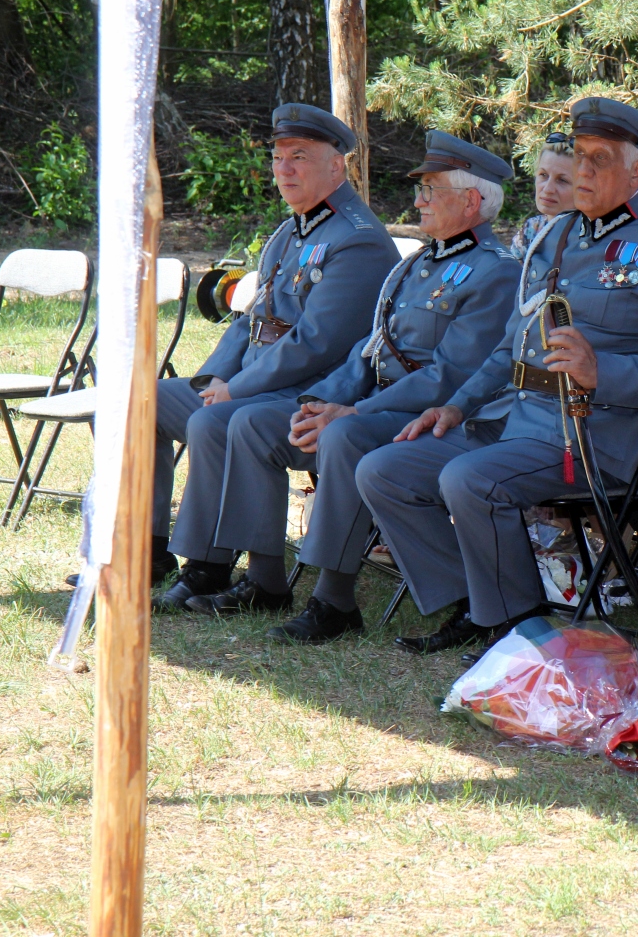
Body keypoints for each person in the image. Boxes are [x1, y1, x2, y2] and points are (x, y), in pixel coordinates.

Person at [353, 98, 638, 655]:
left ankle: (521, 631)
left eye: (599, 159)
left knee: (469, 480)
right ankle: (474, 603)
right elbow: (509, 347)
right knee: (384, 470)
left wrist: (601, 371)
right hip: (514, 420)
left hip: (593, 435)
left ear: (637, 173)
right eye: (580, 156)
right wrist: (457, 406)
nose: (583, 171)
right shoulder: (556, 236)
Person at [171, 133, 522, 640]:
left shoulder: (496, 272)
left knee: (343, 436)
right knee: (253, 423)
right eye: (420, 189)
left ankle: (334, 600)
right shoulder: (418, 264)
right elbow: (369, 351)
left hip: (426, 415)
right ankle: (265, 581)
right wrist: (320, 401)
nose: (418, 201)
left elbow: (447, 377)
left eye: (431, 190)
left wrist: (355, 413)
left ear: (471, 201)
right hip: (371, 404)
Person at [152, 103, 399, 612]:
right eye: (278, 157)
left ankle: (218, 569)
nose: (284, 169)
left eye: (299, 157)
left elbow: (315, 343)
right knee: (141, 402)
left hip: (310, 393)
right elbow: (249, 320)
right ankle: (149, 549)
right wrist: (214, 378)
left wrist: (235, 390)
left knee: (216, 420)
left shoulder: (358, 240)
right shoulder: (292, 231)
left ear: (337, 166)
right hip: (256, 382)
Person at [509, 133, 576, 260]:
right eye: (543, 175)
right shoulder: (531, 230)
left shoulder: (589, 239)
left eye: (562, 180)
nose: (548, 189)